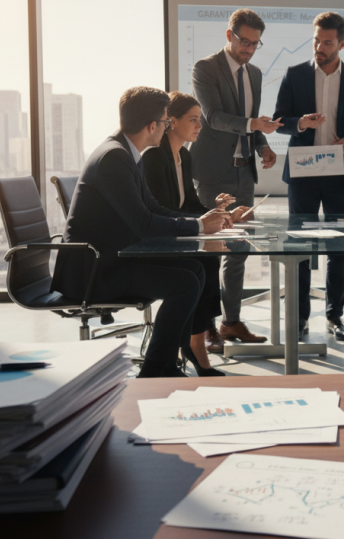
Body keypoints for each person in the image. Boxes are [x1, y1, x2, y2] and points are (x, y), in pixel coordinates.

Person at [52, 87, 230, 378]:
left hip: (112, 258)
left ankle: (169, 362)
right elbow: (143, 223)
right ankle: (155, 369)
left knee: (195, 269)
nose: (166, 127)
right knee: (184, 281)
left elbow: (154, 208)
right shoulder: (115, 158)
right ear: (152, 126)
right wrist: (198, 226)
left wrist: (203, 220)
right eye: (164, 122)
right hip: (95, 270)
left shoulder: (125, 152)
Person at [273, 11, 344, 341]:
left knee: (339, 249)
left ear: (342, 43)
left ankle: (335, 317)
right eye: (316, 39)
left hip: (338, 174)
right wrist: (300, 123)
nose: (319, 46)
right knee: (299, 248)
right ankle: (300, 317)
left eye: (326, 42)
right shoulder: (294, 74)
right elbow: (279, 120)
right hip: (302, 172)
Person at [142, 91, 251, 373]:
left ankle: (196, 340)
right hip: (157, 241)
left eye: (199, 120)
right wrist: (209, 220)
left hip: (176, 232)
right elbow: (163, 210)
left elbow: (189, 204)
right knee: (204, 261)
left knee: (208, 258)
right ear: (172, 121)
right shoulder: (155, 157)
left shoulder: (184, 157)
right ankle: (196, 343)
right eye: (193, 120)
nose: (199, 126)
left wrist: (221, 213)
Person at [191, 8, 281, 348]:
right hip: (214, 172)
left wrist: (263, 146)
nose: (249, 49)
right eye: (245, 42)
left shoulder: (255, 73)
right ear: (229, 35)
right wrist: (254, 125)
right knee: (212, 251)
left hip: (245, 172)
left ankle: (230, 322)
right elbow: (213, 117)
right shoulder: (205, 68)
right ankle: (206, 326)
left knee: (239, 249)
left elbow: (250, 121)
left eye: (256, 44)